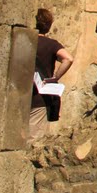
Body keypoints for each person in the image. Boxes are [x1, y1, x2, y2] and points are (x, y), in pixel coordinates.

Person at [31, 8, 73, 141]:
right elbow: (68, 59)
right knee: (34, 140)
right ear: (49, 26)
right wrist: (55, 78)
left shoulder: (24, 40)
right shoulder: (51, 45)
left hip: (19, 96)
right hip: (40, 98)